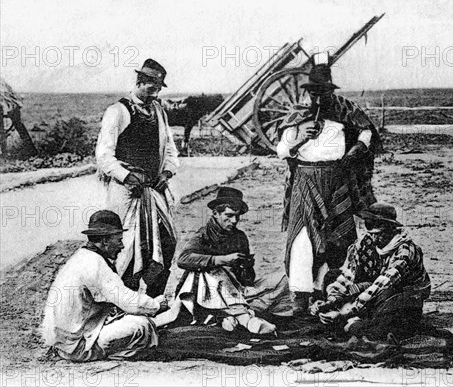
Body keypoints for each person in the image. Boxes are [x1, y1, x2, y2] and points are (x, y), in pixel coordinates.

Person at [276, 60, 381, 314]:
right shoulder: (298, 115)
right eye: (313, 92)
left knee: (338, 237)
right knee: (303, 237)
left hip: (336, 178)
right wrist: (302, 138)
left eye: (322, 92)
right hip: (306, 180)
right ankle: (300, 297)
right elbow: (281, 151)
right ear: (308, 92)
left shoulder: (345, 109)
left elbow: (366, 132)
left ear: (330, 91)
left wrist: (357, 150)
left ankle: (330, 292)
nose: (317, 97)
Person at [40, 210, 182, 362]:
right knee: (142, 325)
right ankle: (115, 352)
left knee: (132, 318)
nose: (121, 246)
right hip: (78, 347)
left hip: (64, 341)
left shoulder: (81, 257)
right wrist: (157, 305)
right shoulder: (94, 263)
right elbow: (127, 301)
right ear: (105, 241)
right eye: (119, 240)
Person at [96, 58, 179, 298]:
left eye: (158, 89)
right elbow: (103, 155)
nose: (154, 93)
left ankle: (154, 301)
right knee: (129, 249)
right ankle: (124, 304)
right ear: (139, 82)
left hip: (153, 191)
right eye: (151, 88)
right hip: (127, 193)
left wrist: (167, 172)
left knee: (166, 242)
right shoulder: (118, 111)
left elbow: (171, 150)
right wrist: (126, 176)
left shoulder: (158, 111)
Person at [174, 187, 291, 334]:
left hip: (235, 291)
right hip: (205, 293)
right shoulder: (203, 235)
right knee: (215, 270)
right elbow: (183, 259)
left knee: (283, 280)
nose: (234, 221)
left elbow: (247, 280)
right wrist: (223, 260)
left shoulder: (239, 237)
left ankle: (231, 316)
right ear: (215, 213)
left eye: (237, 216)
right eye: (228, 216)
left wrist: (246, 267)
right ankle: (243, 317)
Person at [310, 203, 431, 341]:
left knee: (388, 304)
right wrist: (330, 302)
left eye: (379, 235)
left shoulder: (405, 250)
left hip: (399, 296)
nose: (374, 239)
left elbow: (382, 284)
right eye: (371, 234)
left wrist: (345, 313)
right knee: (332, 276)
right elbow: (348, 275)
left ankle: (355, 324)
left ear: (391, 229)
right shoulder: (364, 243)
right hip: (369, 293)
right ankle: (353, 321)